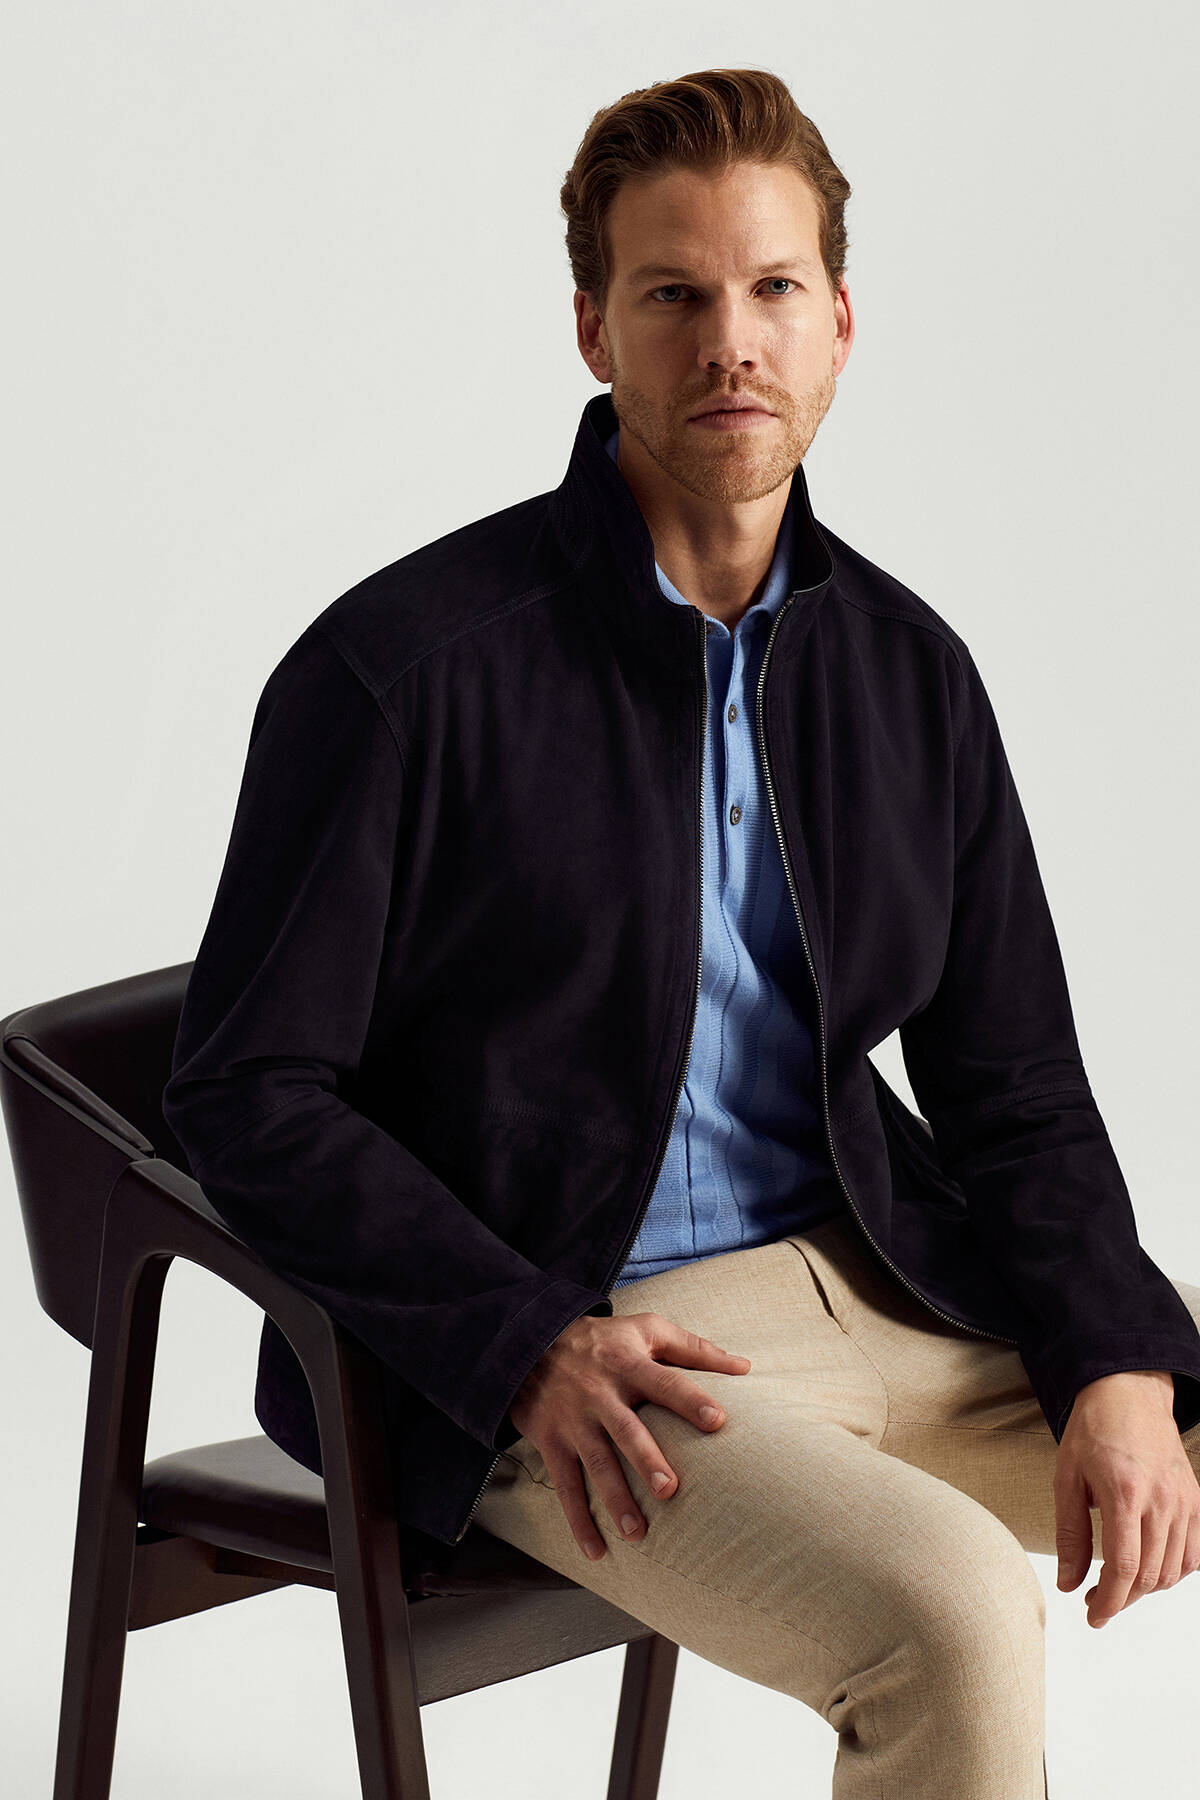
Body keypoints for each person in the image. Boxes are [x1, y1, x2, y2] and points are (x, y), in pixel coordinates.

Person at [162, 67, 1200, 1798]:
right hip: (575, 1335)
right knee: (947, 1615)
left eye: (774, 288)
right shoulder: (405, 673)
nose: (732, 344)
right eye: (674, 295)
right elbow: (247, 1090)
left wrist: (1116, 1358)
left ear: (840, 324)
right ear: (593, 329)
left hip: (881, 1273)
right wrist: (520, 1340)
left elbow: (1014, 1086)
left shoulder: (907, 674)